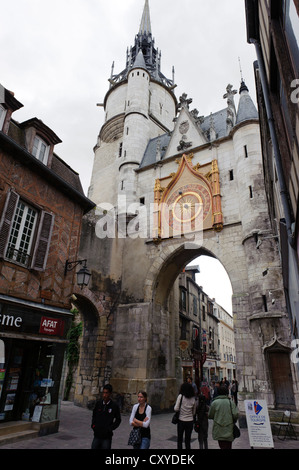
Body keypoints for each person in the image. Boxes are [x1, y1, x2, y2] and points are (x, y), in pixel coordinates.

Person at [91, 384, 121, 449]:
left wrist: (110, 428)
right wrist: (94, 425)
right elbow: (94, 415)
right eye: (103, 393)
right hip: (97, 434)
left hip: (106, 436)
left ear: (110, 394)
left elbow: (118, 419)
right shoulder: (98, 404)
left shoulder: (114, 406)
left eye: (106, 393)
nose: (104, 395)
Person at [208, 385, 238, 449]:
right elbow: (235, 414)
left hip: (219, 428)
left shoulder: (214, 403)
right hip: (229, 428)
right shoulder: (230, 402)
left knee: (222, 445)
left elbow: (210, 415)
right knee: (229, 446)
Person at [174, 382, 197, 449]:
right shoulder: (193, 398)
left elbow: (176, 408)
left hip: (181, 420)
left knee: (180, 439)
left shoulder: (180, 396)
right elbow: (194, 411)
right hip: (190, 421)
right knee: (188, 440)